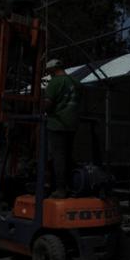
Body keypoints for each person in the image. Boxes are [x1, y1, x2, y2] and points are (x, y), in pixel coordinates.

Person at [43, 59, 81, 198]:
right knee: (67, 155)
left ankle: (60, 189)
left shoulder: (55, 82)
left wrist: (38, 108)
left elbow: (47, 104)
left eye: (49, 72)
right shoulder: (75, 83)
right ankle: (71, 185)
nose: (49, 75)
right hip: (72, 125)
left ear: (52, 69)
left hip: (57, 124)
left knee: (57, 157)